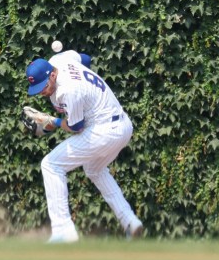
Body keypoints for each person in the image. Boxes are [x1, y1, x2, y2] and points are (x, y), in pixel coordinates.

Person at [25, 50, 143, 243]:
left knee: (51, 165)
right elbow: (86, 58)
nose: (43, 92)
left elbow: (75, 127)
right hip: (123, 126)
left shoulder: (67, 90)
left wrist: (53, 122)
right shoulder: (59, 59)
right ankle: (130, 221)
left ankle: (64, 231)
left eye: (44, 86)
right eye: (37, 89)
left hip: (104, 130)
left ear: (53, 75)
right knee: (94, 169)